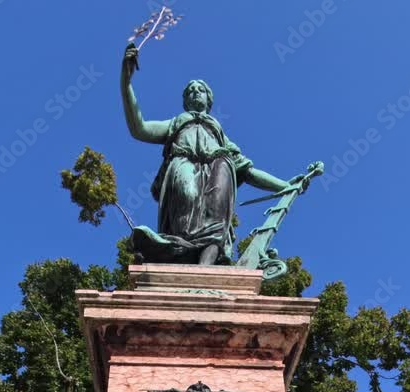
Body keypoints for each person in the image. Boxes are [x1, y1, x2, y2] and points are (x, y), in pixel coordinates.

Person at [121, 44, 306, 265]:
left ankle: (205, 265)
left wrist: (285, 186)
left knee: (217, 213)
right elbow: (139, 128)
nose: (194, 92)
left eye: (199, 89)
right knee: (187, 196)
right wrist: (126, 83)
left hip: (219, 166)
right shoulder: (176, 123)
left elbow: (248, 171)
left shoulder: (218, 134)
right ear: (184, 101)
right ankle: (179, 250)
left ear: (209, 100)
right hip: (183, 162)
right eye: (190, 90)